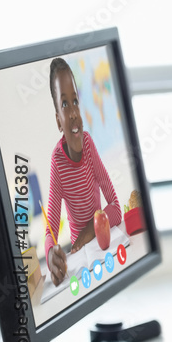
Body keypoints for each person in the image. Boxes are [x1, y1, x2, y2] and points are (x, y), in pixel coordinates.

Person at [44, 57, 122, 286]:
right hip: (80, 251)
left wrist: (89, 230)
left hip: (99, 240)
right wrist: (50, 255)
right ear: (59, 121)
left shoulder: (88, 145)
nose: (73, 113)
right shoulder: (57, 163)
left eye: (75, 101)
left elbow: (115, 206)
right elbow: (50, 229)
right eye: (65, 104)